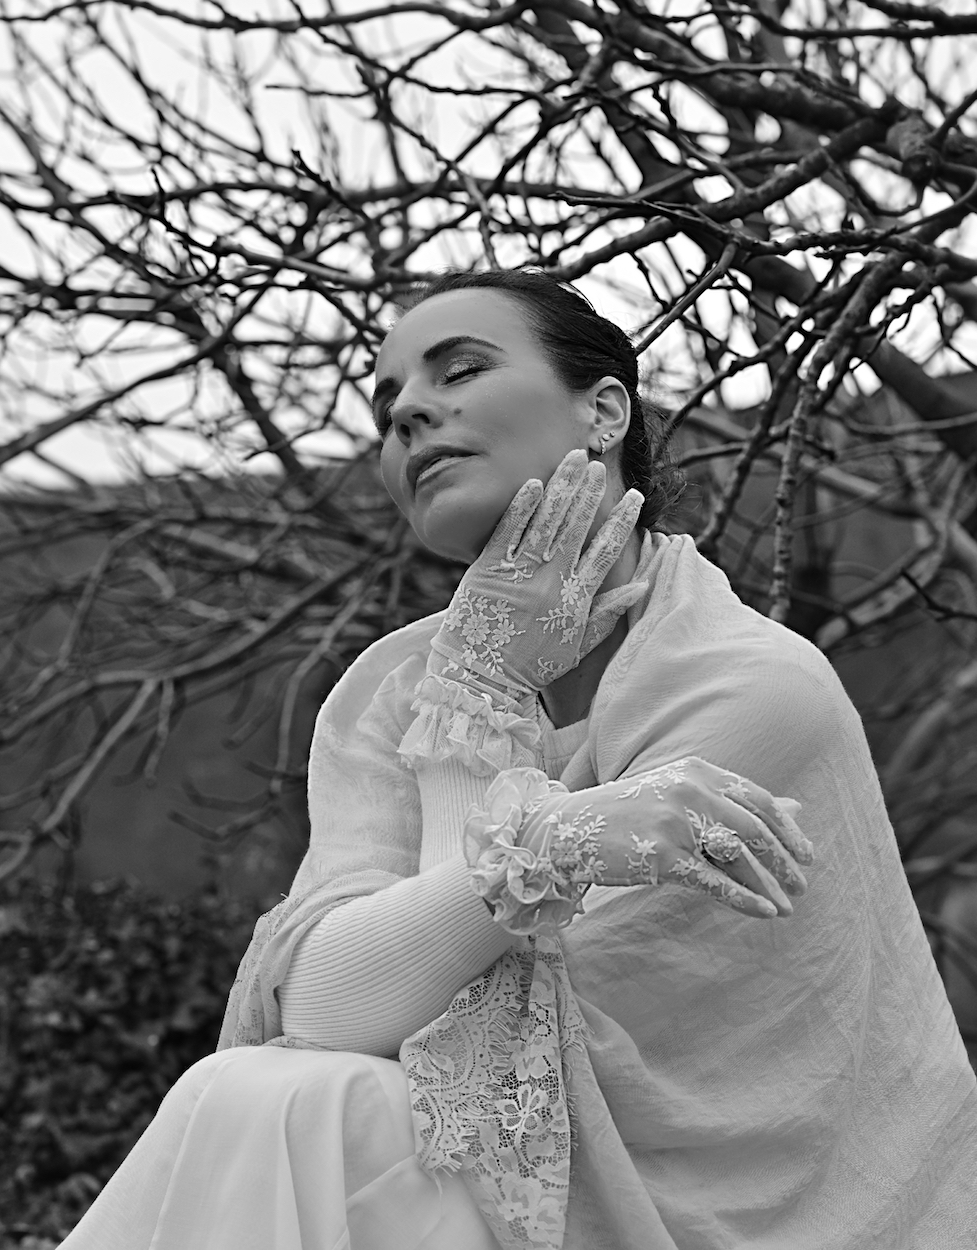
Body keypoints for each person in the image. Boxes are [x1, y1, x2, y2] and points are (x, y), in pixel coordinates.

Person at [57, 271, 977, 1250]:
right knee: (275, 1091)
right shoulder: (403, 695)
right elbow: (327, 1006)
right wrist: (490, 703)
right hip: (486, 1178)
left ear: (605, 410)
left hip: (722, 1216)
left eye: (459, 369)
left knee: (300, 1105)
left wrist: (489, 740)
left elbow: (486, 1066)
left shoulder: (750, 685)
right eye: (386, 406)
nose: (407, 412)